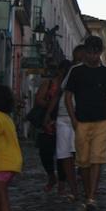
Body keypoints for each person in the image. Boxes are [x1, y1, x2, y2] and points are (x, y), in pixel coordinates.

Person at [63, 35, 106, 211]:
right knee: (83, 161)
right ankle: (87, 193)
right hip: (82, 121)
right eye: (90, 53)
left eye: (96, 53)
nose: (93, 56)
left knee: (97, 159)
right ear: (85, 52)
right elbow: (68, 96)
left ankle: (92, 196)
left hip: (102, 121)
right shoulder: (76, 72)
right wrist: (73, 119)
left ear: (100, 52)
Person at [55, 46, 85, 202]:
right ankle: (73, 188)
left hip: (81, 117)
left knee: (78, 154)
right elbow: (64, 93)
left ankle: (83, 187)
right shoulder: (72, 70)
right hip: (65, 115)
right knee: (65, 154)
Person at [33, 62, 68, 193]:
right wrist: (52, 105)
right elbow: (39, 99)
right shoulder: (48, 84)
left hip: (64, 121)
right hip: (49, 123)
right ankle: (51, 176)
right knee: (45, 152)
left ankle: (62, 183)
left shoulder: (70, 86)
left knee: (62, 154)